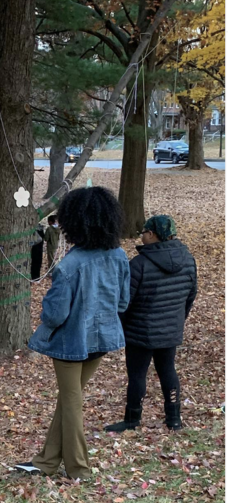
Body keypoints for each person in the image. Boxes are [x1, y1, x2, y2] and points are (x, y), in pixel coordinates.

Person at [15, 187, 130, 480]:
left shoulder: (68, 266)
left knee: (71, 401)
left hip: (71, 343)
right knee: (69, 399)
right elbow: (123, 302)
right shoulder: (119, 256)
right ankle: (45, 462)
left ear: (73, 222)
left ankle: (79, 468)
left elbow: (55, 315)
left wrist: (47, 309)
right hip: (102, 340)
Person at [105, 215, 197, 433]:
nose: (141, 236)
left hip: (140, 332)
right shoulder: (188, 259)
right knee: (167, 370)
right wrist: (177, 320)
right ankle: (173, 419)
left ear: (153, 235)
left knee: (137, 374)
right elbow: (190, 295)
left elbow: (124, 302)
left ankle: (132, 419)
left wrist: (123, 327)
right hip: (170, 329)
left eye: (144, 233)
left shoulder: (138, 265)